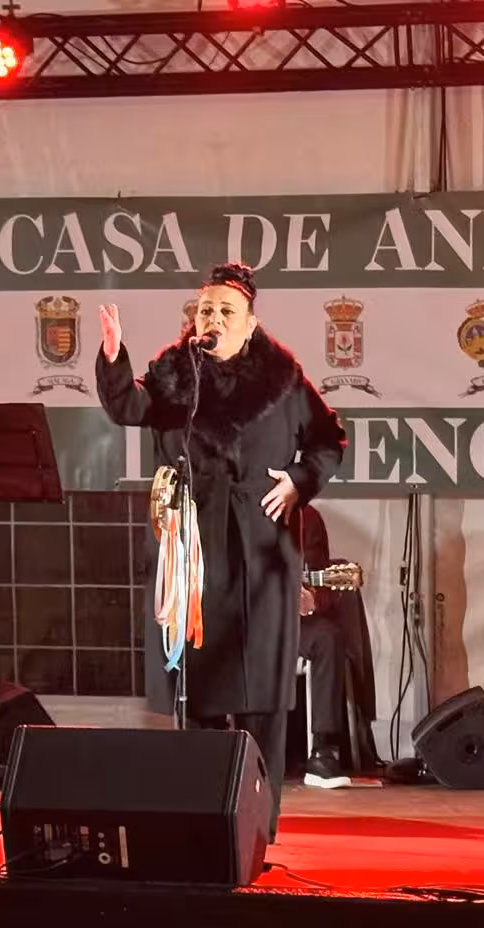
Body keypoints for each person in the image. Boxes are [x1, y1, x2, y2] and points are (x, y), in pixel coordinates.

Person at [96, 262, 347, 839]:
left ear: (250, 322)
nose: (211, 318)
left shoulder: (284, 377)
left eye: (225, 311)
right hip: (194, 545)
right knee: (200, 685)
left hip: (262, 543)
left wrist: (299, 482)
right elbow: (130, 408)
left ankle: (256, 826)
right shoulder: (175, 370)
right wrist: (113, 357)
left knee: (261, 693)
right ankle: (203, 821)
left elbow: (328, 440)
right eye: (205, 309)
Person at [297, 502, 380, 789]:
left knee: (328, 636)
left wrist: (312, 600)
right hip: (244, 624)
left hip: (289, 624)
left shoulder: (306, 517)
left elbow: (320, 581)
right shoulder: (233, 511)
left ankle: (323, 751)